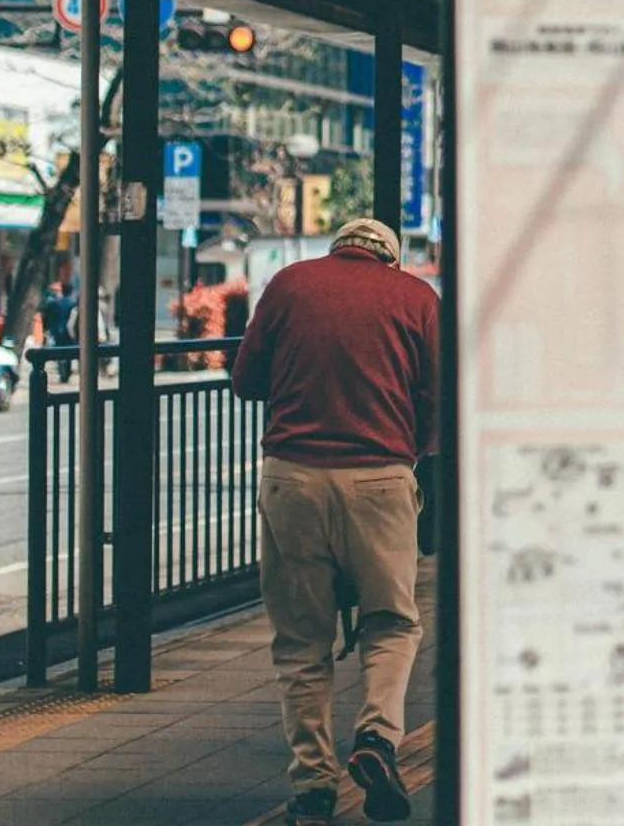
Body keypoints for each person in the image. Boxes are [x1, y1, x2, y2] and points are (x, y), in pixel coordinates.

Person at [233, 218, 438, 825]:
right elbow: (439, 398)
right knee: (392, 622)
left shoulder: (291, 284)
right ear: (390, 259)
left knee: (301, 640)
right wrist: (412, 454)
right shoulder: (417, 298)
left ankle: (313, 786)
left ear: (339, 248)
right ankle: (376, 740)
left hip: (292, 476)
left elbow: (246, 380)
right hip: (380, 476)